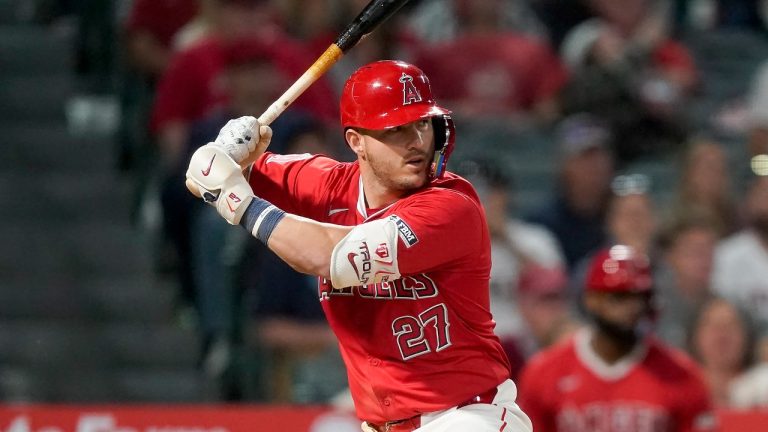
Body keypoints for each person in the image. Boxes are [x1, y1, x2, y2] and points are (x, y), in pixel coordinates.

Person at [184, 60, 532, 431]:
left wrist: (241, 204)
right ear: (356, 141)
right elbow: (204, 176)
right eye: (396, 130)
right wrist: (221, 152)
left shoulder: (451, 205)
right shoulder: (327, 184)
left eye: (422, 124)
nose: (416, 142)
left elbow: (330, 256)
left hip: (465, 416)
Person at [517, 245, 717, 432]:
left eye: (639, 297)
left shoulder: (681, 374)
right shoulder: (544, 372)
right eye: (619, 297)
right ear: (591, 300)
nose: (632, 307)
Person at [687, 297, 756, 407]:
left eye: (731, 325)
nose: (722, 334)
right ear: (695, 335)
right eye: (713, 326)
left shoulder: (763, 390)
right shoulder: (680, 390)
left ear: (747, 335)